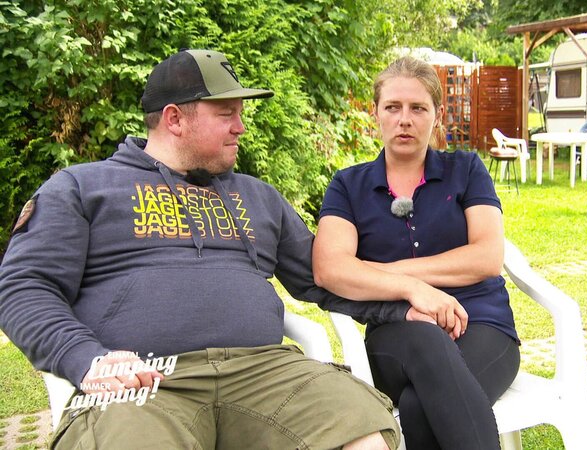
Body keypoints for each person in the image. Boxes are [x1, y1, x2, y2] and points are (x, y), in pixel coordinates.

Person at [0, 49, 405, 450]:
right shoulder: (82, 188)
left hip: (265, 373)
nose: (241, 128)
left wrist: (404, 307)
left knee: (363, 436)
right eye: (227, 114)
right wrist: (85, 358)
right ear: (175, 118)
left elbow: (324, 277)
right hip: (142, 382)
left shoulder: (258, 197)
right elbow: (24, 286)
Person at [312, 56, 521, 450]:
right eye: (393, 107)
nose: (404, 120)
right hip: (396, 334)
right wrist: (412, 292)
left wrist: (390, 273)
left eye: (418, 108)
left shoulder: (466, 169)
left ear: (437, 115)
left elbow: (488, 256)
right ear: (375, 113)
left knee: (418, 406)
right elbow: (329, 269)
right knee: (426, 341)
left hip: (482, 324)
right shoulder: (348, 185)